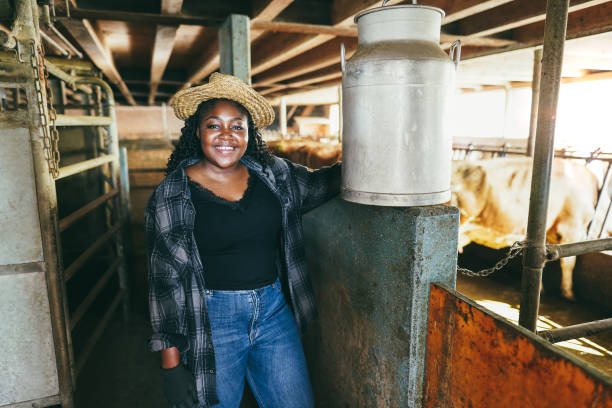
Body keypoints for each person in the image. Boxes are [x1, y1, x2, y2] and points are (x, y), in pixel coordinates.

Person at [145, 72, 341, 408]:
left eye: (237, 126)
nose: (226, 135)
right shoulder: (171, 195)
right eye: (213, 125)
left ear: (250, 133)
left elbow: (321, 185)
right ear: (197, 130)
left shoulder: (273, 174)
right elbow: (164, 284)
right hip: (211, 318)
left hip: (274, 312)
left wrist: (370, 165)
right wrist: (171, 366)